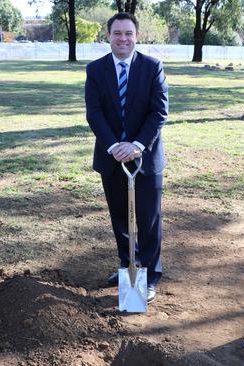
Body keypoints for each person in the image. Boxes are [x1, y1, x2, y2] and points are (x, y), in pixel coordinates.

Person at [85, 12, 168, 304]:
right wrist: (114, 146)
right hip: (111, 158)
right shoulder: (96, 70)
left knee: (148, 219)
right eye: (117, 33)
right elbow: (94, 114)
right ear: (108, 36)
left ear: (137, 36)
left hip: (145, 158)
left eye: (128, 33)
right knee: (120, 217)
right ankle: (128, 265)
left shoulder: (152, 67)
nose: (123, 39)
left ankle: (151, 274)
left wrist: (136, 145)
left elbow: (159, 112)